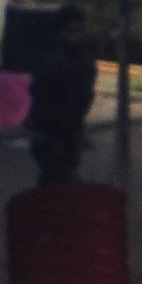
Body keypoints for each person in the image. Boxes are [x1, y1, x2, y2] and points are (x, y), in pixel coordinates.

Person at [26, 14, 100, 187]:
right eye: (71, 30)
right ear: (61, 33)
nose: (77, 36)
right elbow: (40, 92)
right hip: (53, 129)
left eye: (80, 31)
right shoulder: (53, 60)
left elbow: (84, 94)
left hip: (70, 128)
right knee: (56, 177)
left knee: (64, 177)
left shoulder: (83, 60)